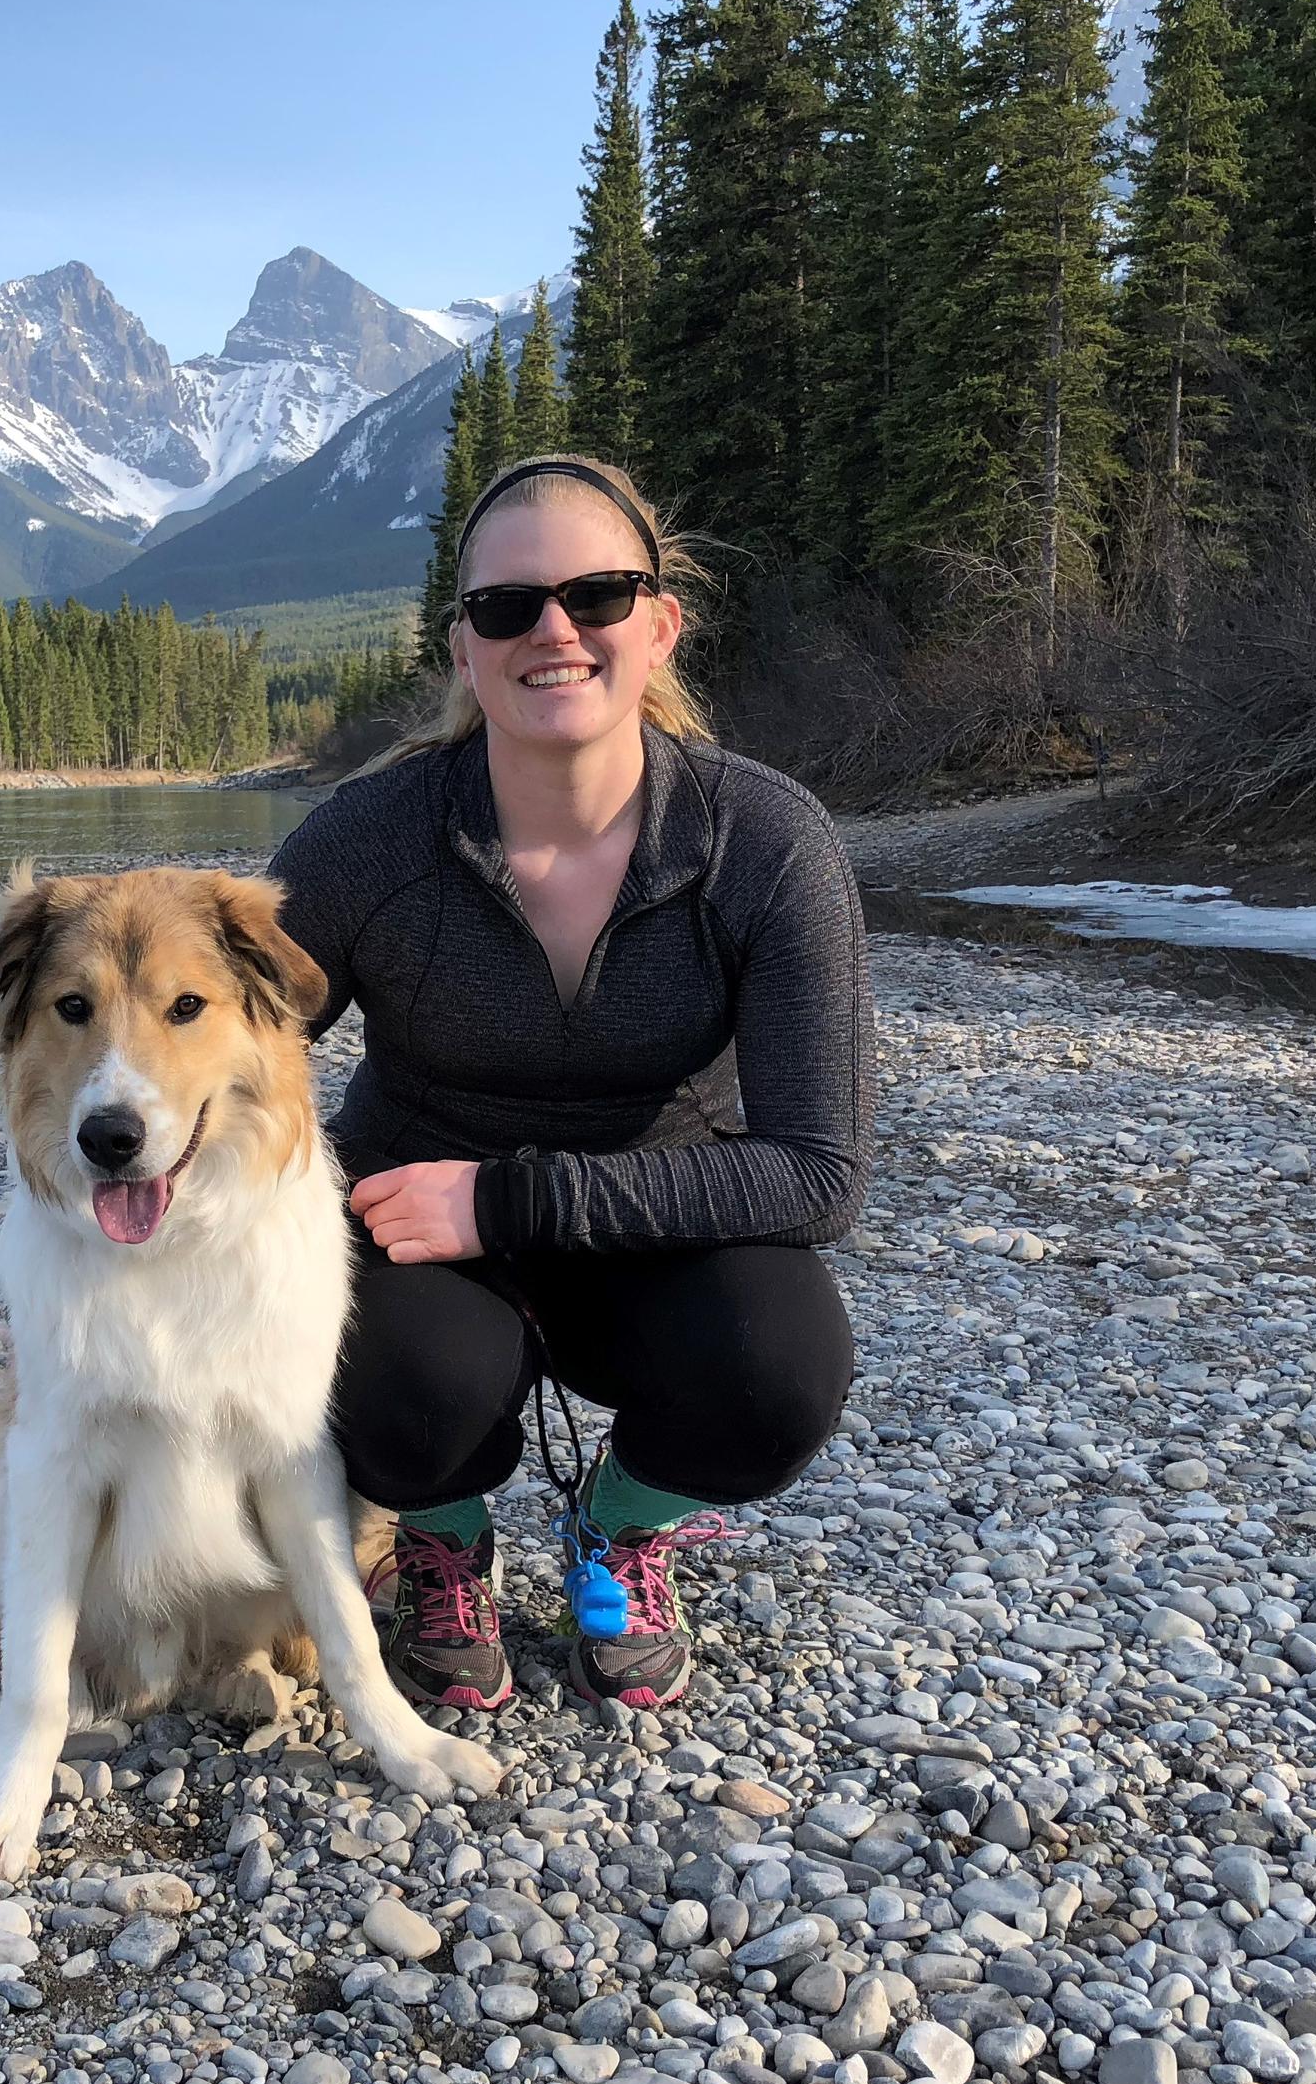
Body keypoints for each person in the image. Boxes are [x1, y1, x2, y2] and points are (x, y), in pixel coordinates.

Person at [270, 454, 871, 1713]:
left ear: (660, 625)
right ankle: (443, 1542)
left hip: (662, 1225)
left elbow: (817, 1174)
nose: (553, 629)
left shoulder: (763, 842)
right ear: (463, 649)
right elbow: (232, 1045)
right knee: (366, 1371)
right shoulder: (366, 842)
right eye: (507, 606)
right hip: (417, 1236)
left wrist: (508, 1200)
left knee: (780, 1374)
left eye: (597, 596)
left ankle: (619, 1525)